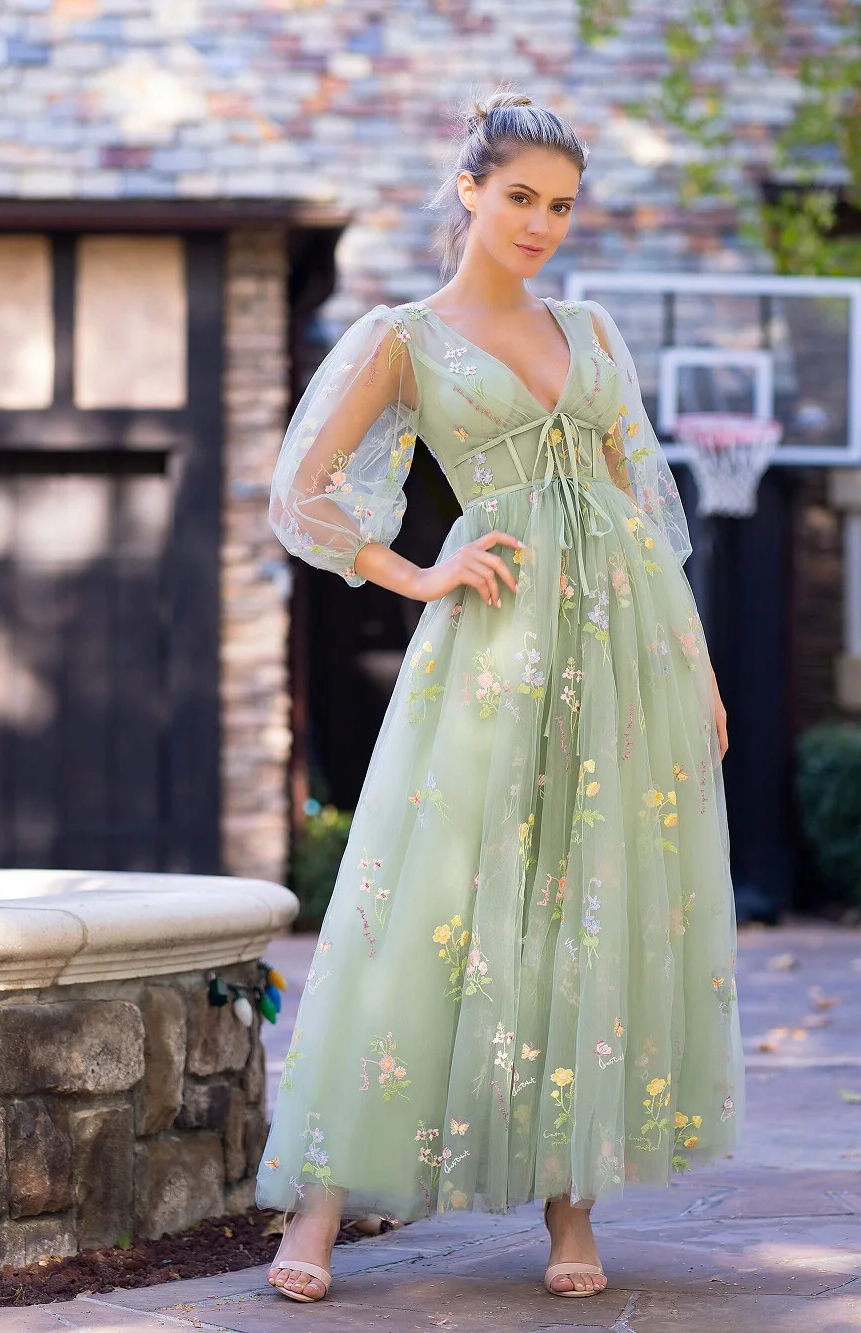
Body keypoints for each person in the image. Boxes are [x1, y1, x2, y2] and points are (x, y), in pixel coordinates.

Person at [257, 88, 744, 1304]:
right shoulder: (401, 339)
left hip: (624, 646)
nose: (540, 223)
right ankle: (317, 1206)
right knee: (429, 892)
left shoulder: (592, 330)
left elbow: (648, 513)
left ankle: (570, 1208)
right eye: (520, 197)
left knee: (589, 899)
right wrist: (420, 573)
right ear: (469, 190)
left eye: (562, 206)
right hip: (495, 641)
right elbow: (302, 493)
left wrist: (695, 664)